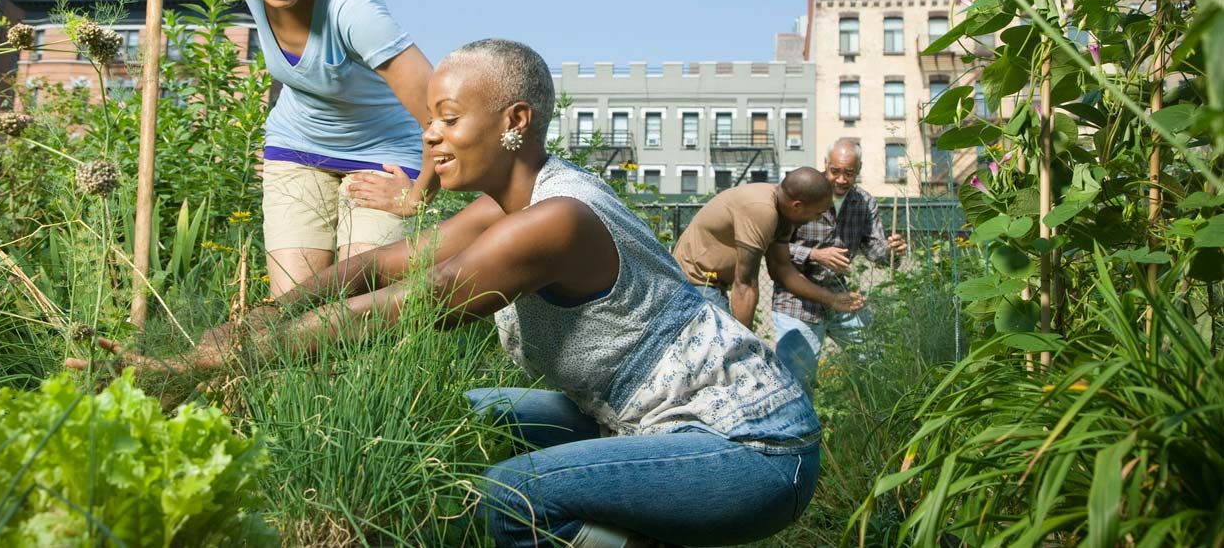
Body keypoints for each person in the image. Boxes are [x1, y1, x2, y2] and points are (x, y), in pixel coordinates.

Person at [73, 39, 821, 548]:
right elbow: (376, 269)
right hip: (645, 425)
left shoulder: (556, 220)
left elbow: (413, 304)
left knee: (509, 494)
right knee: (458, 418)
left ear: (514, 122)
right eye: (428, 117)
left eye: (449, 118)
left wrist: (209, 367)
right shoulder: (504, 209)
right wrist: (260, 317)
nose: (429, 136)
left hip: (750, 449)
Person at [139, 0, 436, 297]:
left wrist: (417, 198)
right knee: (294, 311)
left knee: (358, 307)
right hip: (298, 148)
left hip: (383, 154)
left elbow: (440, 115)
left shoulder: (353, 8)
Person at [772, 139, 907, 392]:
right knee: (796, 382)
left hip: (839, 295)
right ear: (825, 166)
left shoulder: (864, 202)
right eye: (835, 171)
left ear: (859, 170)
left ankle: (869, 419)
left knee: (876, 361)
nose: (842, 179)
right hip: (796, 300)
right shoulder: (800, 193)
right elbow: (773, 248)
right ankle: (799, 431)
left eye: (849, 173)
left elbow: (876, 250)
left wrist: (892, 251)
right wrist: (814, 254)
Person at [673, 171, 866, 329]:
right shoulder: (762, 210)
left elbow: (782, 270)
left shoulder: (785, 214)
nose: (817, 219)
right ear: (797, 206)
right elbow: (745, 284)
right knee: (721, 352)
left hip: (712, 284)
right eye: (817, 213)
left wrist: (832, 299)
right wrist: (745, 347)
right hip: (694, 282)